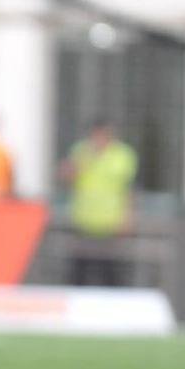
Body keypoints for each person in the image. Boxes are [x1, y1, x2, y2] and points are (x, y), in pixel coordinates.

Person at [60, 118, 138, 286]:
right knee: (78, 274)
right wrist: (85, 160)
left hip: (110, 225)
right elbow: (66, 176)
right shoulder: (81, 151)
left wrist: (127, 217)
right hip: (83, 223)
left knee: (111, 274)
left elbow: (128, 189)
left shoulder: (122, 155)